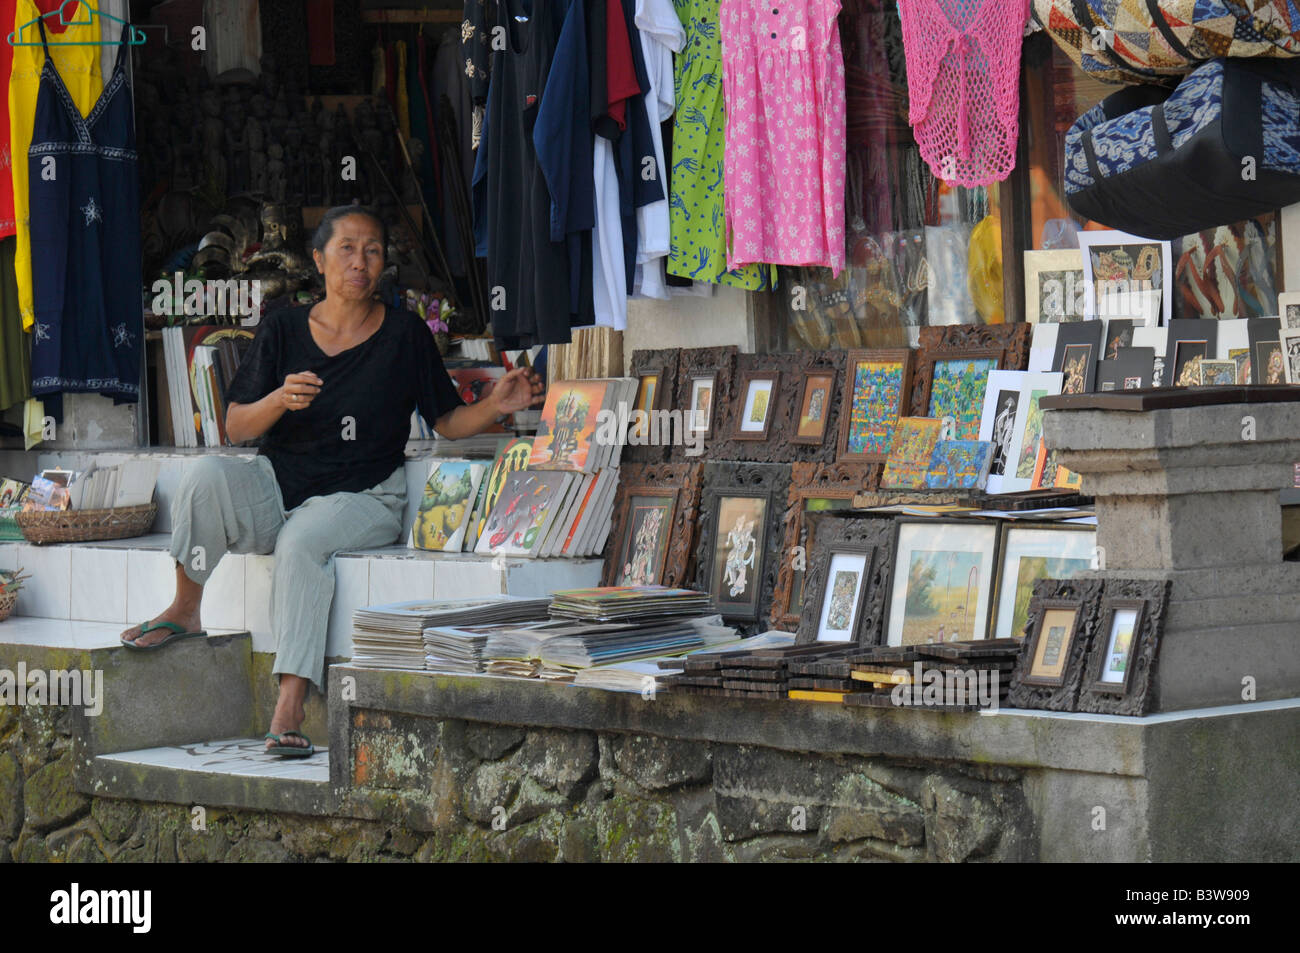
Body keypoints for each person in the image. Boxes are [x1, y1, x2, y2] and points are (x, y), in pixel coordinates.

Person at [119, 206, 543, 756]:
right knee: (206, 476)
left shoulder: (404, 334)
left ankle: (290, 704)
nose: (360, 261)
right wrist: (278, 398)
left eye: (372, 250)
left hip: (365, 495)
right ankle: (185, 608)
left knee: (300, 543)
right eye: (346, 248)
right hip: (280, 483)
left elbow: (447, 421)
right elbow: (236, 424)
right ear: (318, 260)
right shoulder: (283, 327)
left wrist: (494, 405)